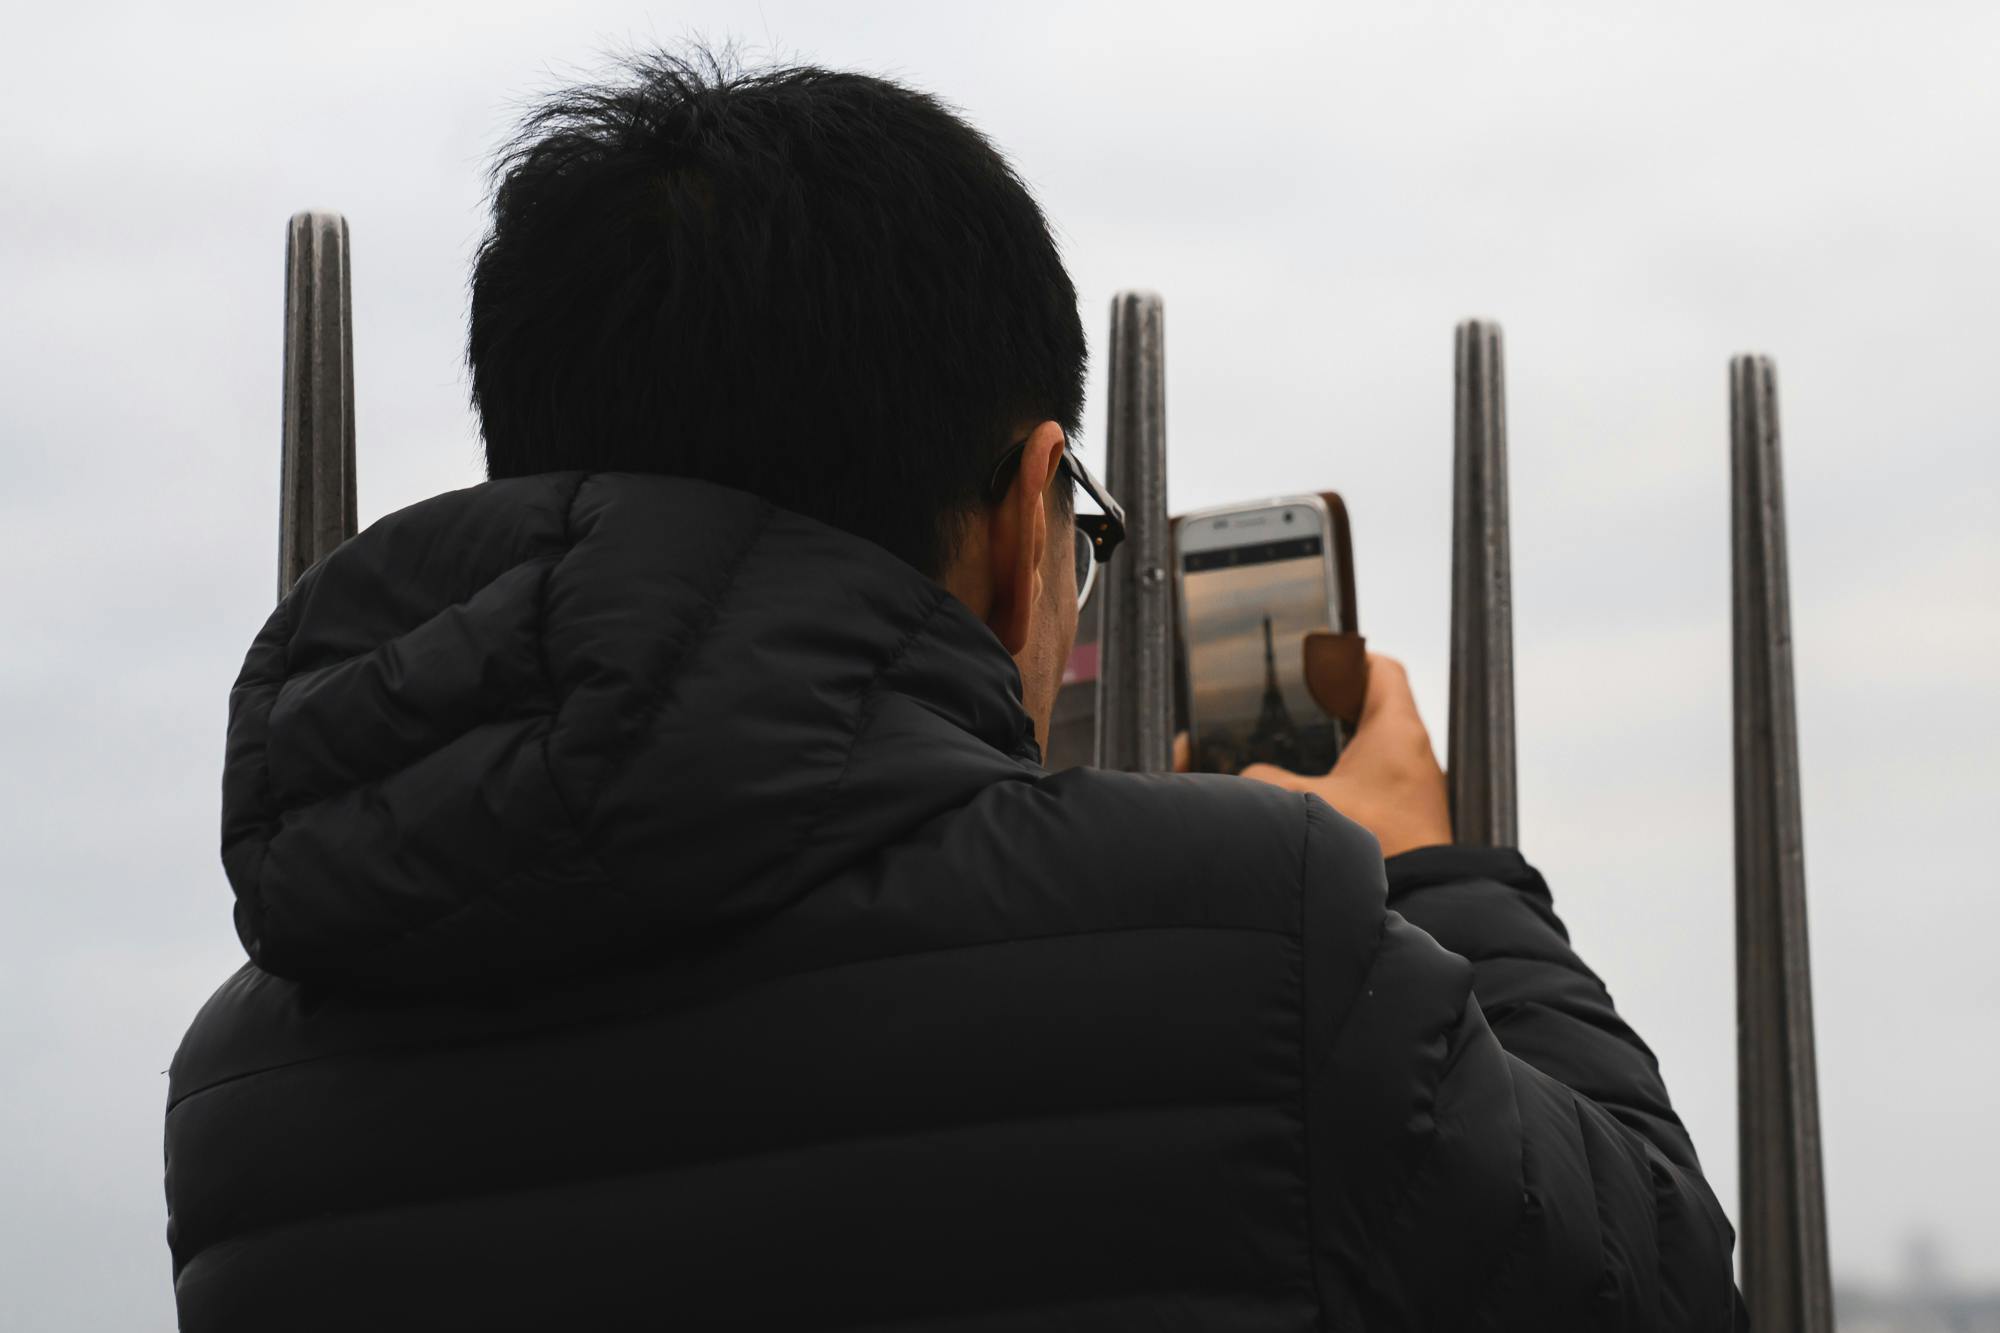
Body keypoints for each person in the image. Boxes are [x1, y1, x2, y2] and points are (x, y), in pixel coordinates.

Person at [164, 49, 1744, 1331]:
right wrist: (1433, 873)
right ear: (1027, 508)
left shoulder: (244, 1086)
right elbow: (1656, 1276)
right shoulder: (1260, 940)